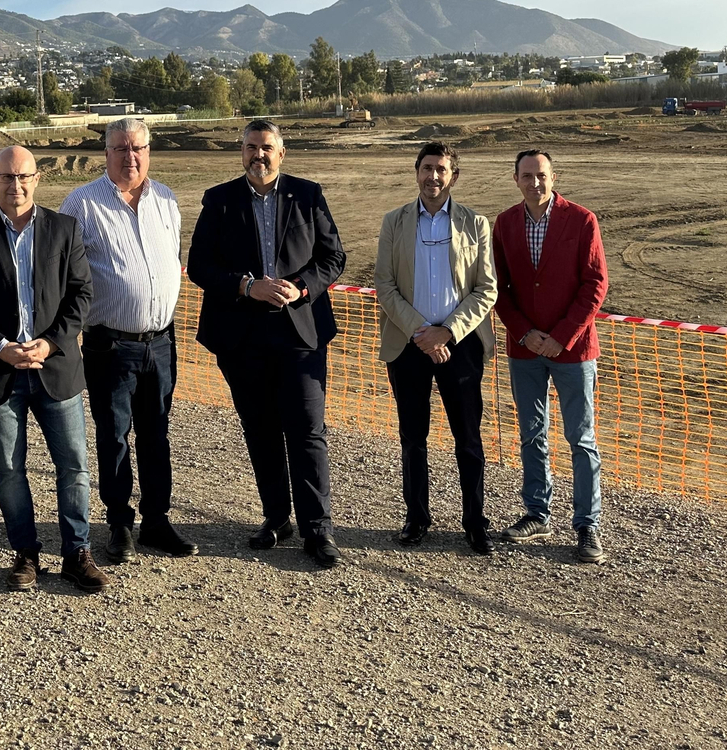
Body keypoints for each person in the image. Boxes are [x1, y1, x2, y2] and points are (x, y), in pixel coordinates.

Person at [186, 119, 347, 567]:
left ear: (282, 152)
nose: (259, 155)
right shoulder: (219, 201)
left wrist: (302, 286)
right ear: (241, 152)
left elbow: (334, 257)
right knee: (260, 430)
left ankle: (319, 530)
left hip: (299, 335)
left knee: (307, 431)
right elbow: (199, 264)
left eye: (267, 148)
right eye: (251, 147)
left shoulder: (308, 194)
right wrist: (245, 285)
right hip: (242, 337)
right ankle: (277, 518)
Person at [0, 145, 105, 593]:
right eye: (6, 177)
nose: (15, 185)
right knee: (8, 468)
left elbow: (81, 296)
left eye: (23, 177)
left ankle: (77, 553)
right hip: (0, 372)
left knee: (73, 465)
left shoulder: (65, 229)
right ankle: (26, 554)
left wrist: (50, 343)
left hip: (55, 369)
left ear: (37, 179)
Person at [59, 117, 196, 565]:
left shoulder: (168, 201)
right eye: (120, 148)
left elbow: (171, 261)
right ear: (106, 154)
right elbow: (65, 274)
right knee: (114, 435)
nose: (129, 156)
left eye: (137, 147)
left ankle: (157, 520)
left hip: (160, 342)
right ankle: (119, 523)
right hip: (109, 345)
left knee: (157, 433)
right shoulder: (81, 204)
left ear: (149, 150)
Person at [374, 142, 498, 554]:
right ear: (416, 172)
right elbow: (385, 286)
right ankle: (416, 518)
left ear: (454, 176)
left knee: (468, 438)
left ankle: (475, 521)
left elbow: (486, 290)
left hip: (459, 346)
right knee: (413, 437)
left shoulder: (475, 224)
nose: (433, 177)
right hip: (408, 346)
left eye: (441, 169)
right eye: (427, 168)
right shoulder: (394, 222)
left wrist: (446, 332)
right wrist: (420, 332)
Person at [492, 149, 610, 564]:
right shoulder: (504, 224)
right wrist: (525, 333)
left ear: (553, 176)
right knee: (531, 433)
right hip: (525, 350)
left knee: (580, 438)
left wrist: (560, 337)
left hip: (573, 351)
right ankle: (537, 513)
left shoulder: (581, 220)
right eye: (527, 176)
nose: (534, 183)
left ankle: (586, 524)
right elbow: (498, 288)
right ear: (516, 179)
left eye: (541, 176)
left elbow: (595, 285)